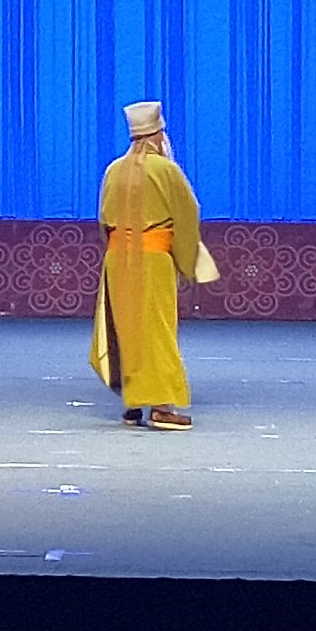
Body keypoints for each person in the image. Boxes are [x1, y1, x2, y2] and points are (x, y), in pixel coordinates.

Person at [88, 100, 206, 430]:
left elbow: (103, 221)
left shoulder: (113, 170)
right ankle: (161, 406)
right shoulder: (166, 170)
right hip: (152, 258)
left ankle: (133, 403)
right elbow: (188, 213)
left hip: (117, 259)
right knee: (156, 330)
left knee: (126, 328)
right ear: (157, 136)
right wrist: (187, 261)